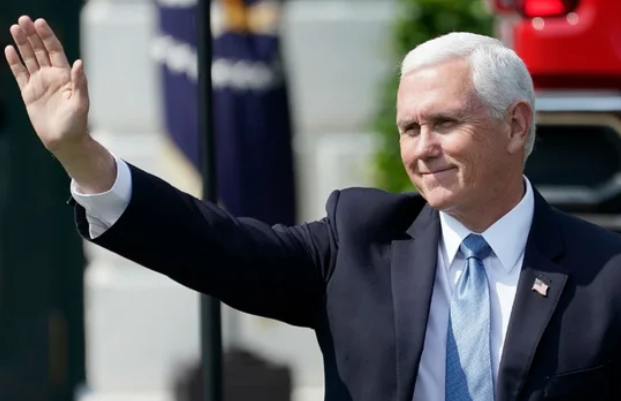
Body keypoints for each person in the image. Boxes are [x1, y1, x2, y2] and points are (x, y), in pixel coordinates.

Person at [5, 14, 621, 401]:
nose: (422, 148)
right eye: (409, 129)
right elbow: (213, 244)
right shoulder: (359, 241)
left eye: (444, 123)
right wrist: (81, 155)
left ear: (515, 125)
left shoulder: (607, 273)